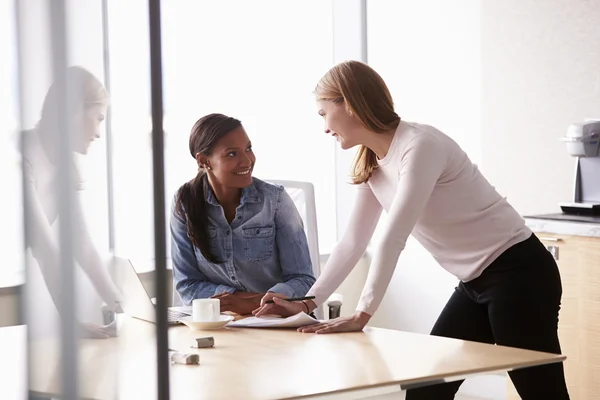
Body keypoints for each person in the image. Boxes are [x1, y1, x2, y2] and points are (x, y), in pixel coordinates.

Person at [254, 61, 569, 399]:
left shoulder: (420, 145)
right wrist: (306, 303)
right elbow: (353, 242)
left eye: (323, 113)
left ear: (349, 103)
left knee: (541, 393)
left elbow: (393, 235)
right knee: (427, 389)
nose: (324, 127)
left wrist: (363, 314)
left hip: (519, 272)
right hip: (474, 282)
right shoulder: (370, 162)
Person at [170, 113, 316, 316]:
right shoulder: (185, 202)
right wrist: (240, 301)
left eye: (248, 149)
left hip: (275, 321)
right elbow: (187, 285)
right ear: (204, 161)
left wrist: (251, 304)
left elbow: (303, 280)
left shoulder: (276, 200)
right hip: (221, 323)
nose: (247, 160)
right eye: (232, 154)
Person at [22, 66, 122, 339]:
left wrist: (123, 309)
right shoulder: (23, 154)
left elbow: (82, 245)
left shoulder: (64, 165)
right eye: (99, 118)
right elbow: (45, 248)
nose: (100, 132)